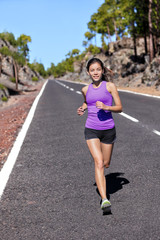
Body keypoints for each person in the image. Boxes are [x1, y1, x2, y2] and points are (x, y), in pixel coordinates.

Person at [77, 57, 122, 213]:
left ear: (102, 70)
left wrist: (106, 107)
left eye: (98, 69)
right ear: (88, 72)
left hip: (108, 129)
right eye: (92, 70)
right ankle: (104, 199)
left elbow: (120, 107)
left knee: (106, 163)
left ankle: (104, 186)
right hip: (91, 129)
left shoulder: (110, 86)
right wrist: (83, 108)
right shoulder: (85, 89)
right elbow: (87, 102)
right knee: (98, 163)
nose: (95, 72)